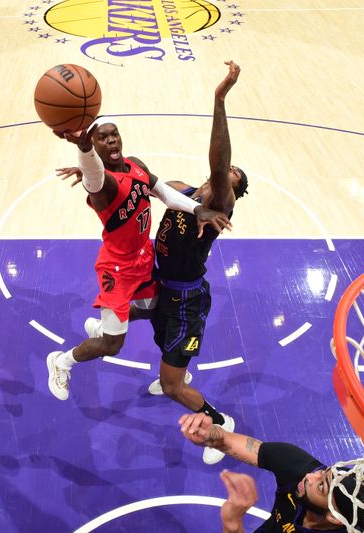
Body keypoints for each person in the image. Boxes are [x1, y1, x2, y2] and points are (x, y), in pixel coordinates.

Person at [81, 62, 249, 464]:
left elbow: (218, 164)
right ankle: (157, 355)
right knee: (139, 309)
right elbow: (131, 181)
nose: (225, 176)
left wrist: (219, 99)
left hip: (186, 303)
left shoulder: (215, 209)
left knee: (171, 386)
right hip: (160, 285)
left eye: (231, 179)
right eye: (226, 174)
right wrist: (91, 169)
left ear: (229, 194)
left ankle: (218, 424)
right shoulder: (178, 190)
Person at [46, 122, 233, 401]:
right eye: (102, 138)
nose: (110, 141)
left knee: (154, 308)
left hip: (143, 256)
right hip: (118, 268)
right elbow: (95, 178)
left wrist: (198, 208)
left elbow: (165, 194)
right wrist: (84, 150)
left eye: (113, 134)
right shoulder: (103, 187)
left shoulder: (135, 165)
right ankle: (62, 362)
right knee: (112, 345)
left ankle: (106, 328)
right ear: (95, 146)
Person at [180, 413, 364, 532]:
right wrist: (209, 435)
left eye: (321, 486)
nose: (310, 477)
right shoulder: (298, 468)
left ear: (334, 517)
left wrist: (232, 524)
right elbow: (226, 440)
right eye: (324, 473)